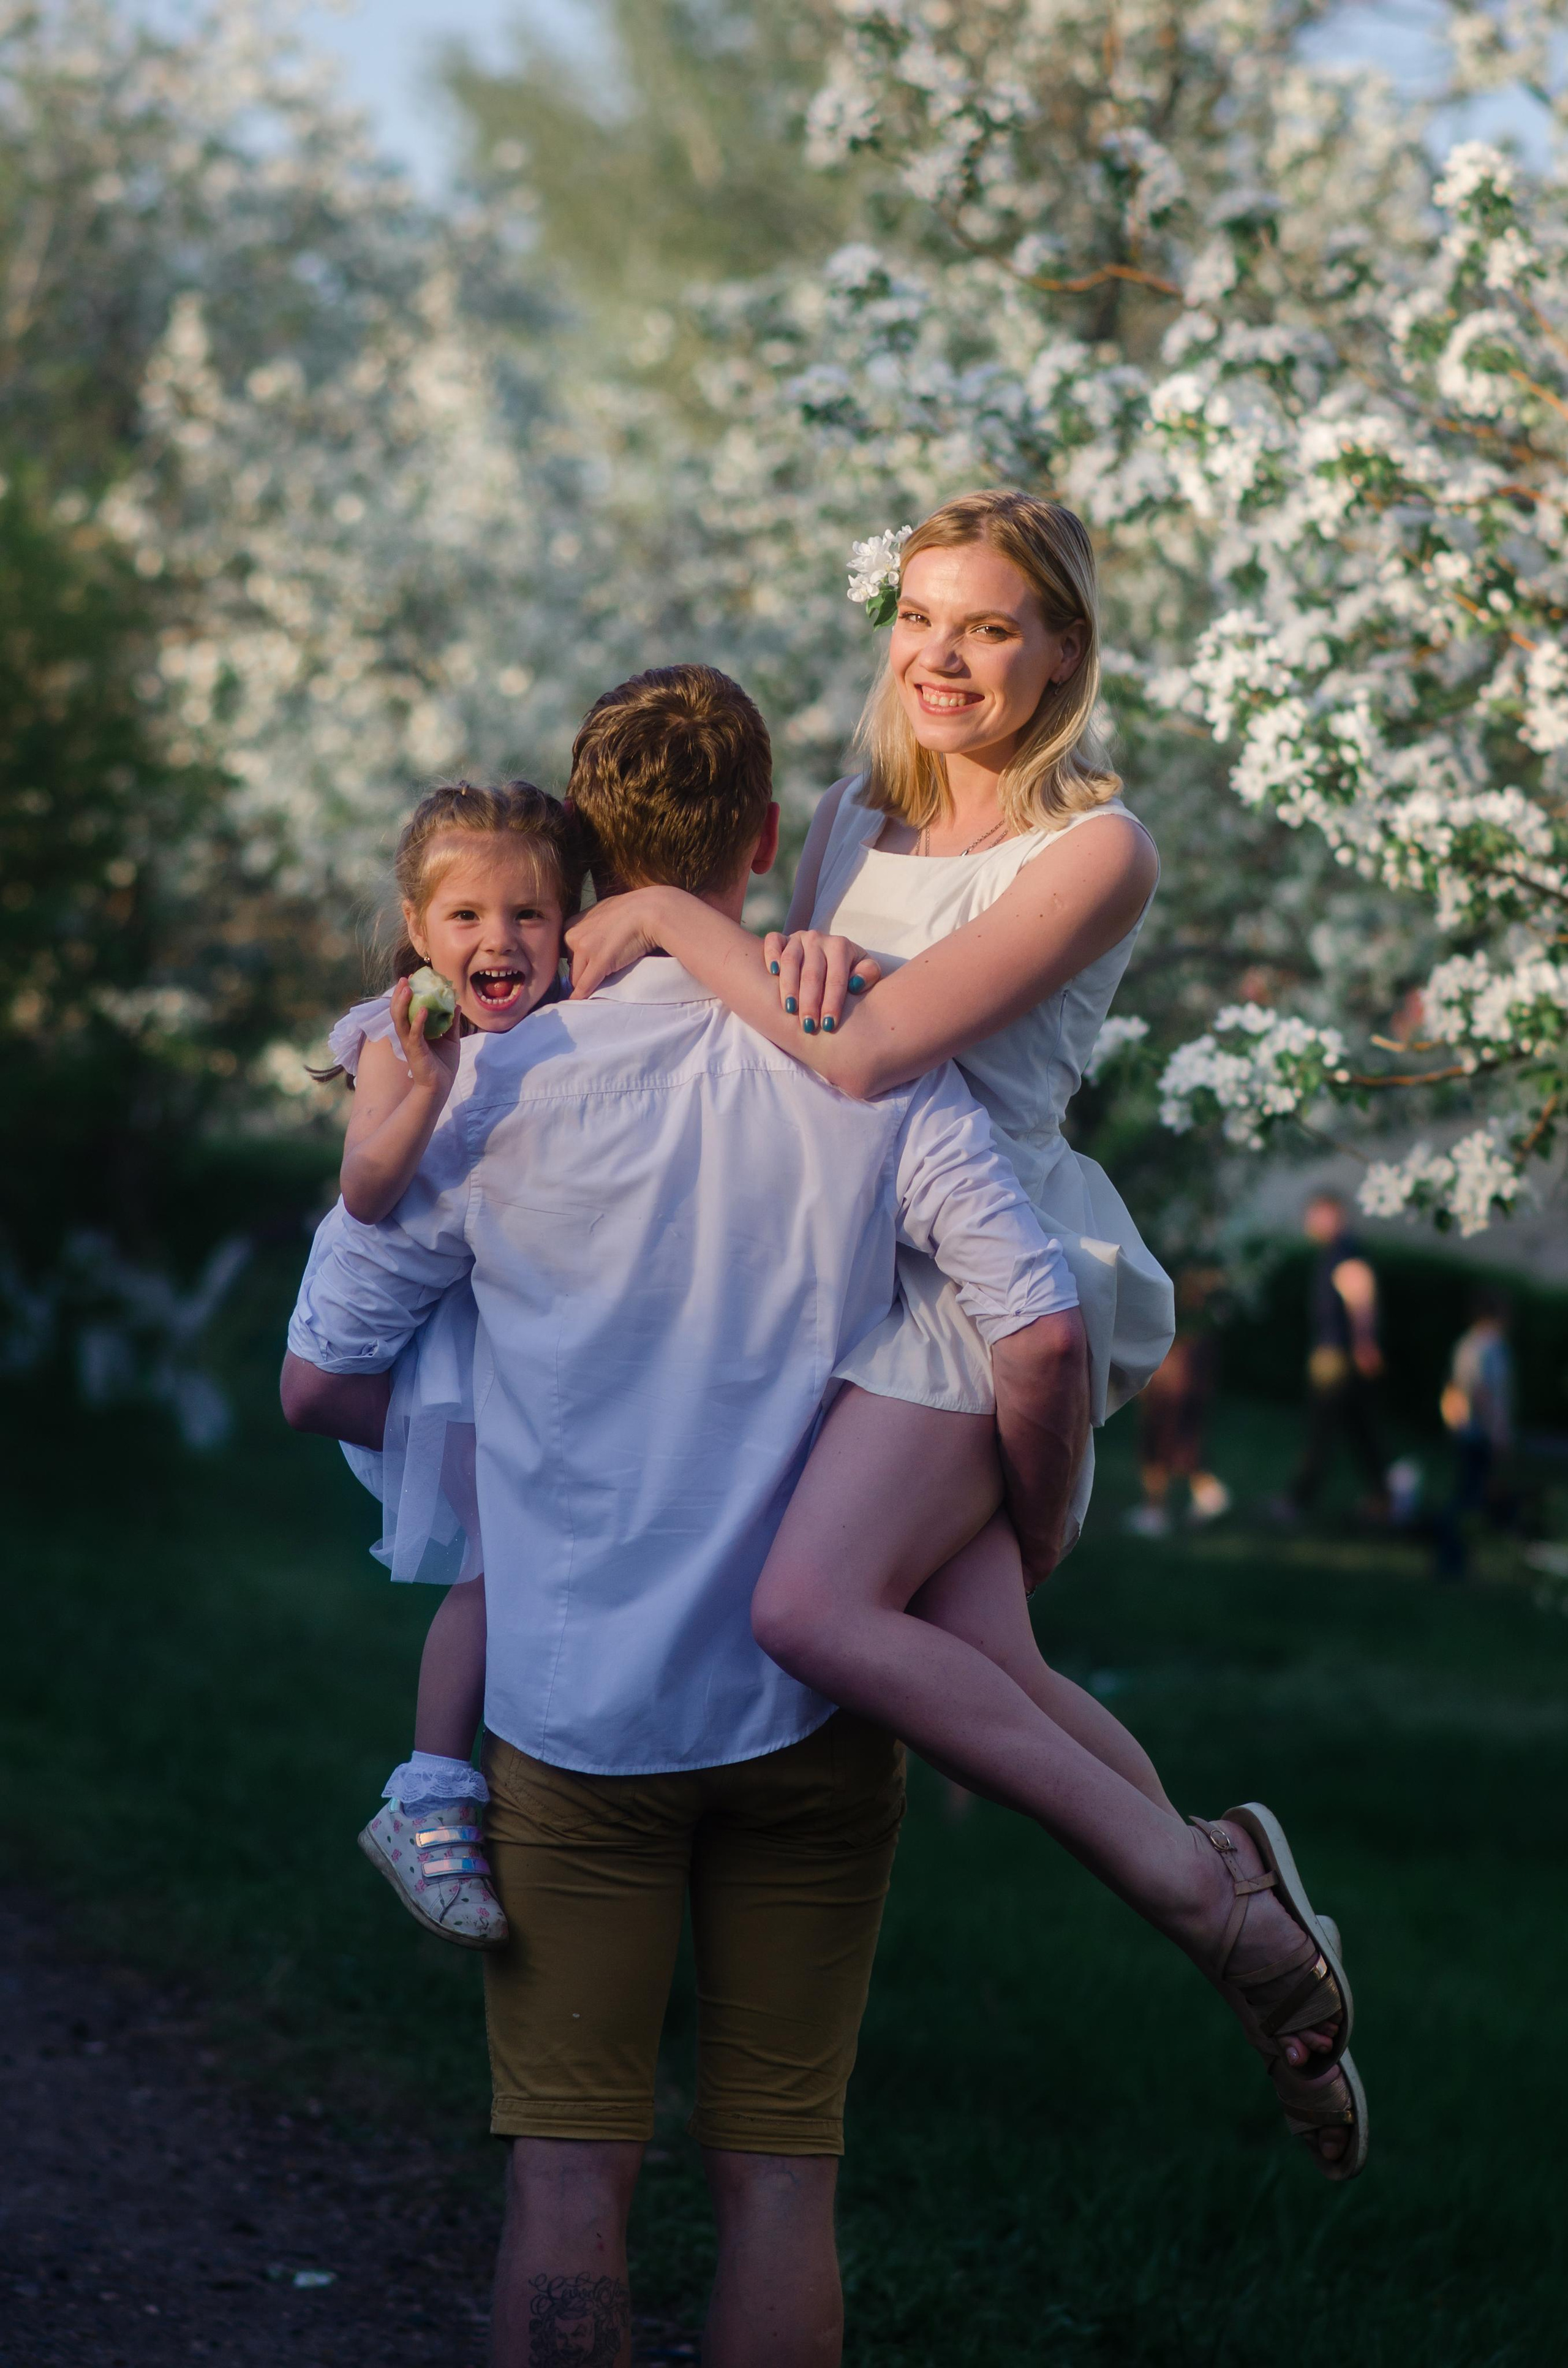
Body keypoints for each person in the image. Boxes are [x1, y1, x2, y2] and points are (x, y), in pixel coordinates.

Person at [281, 662, 1092, 2366]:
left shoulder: (493, 1079)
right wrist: (1025, 1534)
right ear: (773, 842)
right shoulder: (871, 1069)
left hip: (577, 1711)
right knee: (784, 2182)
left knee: (571, 2187)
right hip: (813, 1705)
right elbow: (1038, 1325)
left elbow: (319, 1374)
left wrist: (501, 1446)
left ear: (581, 853)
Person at [566, 496, 1365, 2179]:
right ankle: (1243, 1907)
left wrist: (658, 915)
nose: (944, 656)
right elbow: (799, 1015)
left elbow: (873, 1054)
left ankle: (1206, 1913)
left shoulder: (1096, 849)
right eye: (921, 618)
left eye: (991, 626)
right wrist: (777, 940)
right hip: (859, 1253)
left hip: (988, 1259)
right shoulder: (848, 817)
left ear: (1061, 650)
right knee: (997, 1670)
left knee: (812, 1606)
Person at [311, 779, 582, 1951]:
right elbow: (369, 1192)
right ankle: (427, 1798)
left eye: (530, 915)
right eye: (467, 916)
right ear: (420, 933)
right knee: (500, 1561)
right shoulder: (397, 1037)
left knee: (505, 1558)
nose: (500, 941)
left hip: (485, 1327)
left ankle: (463, 1789)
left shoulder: (578, 1026)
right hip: (399, 1336)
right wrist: (426, 1088)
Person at [1278, 1193, 1390, 1523]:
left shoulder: (1344, 1251)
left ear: (1332, 1215)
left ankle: (1298, 1499)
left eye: (1314, 1215)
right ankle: (1382, 1498)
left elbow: (1361, 1296)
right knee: (1360, 1429)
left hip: (1336, 1357)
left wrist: (1365, 1343)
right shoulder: (1337, 1251)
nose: (1308, 1223)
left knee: (1321, 1431)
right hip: (1339, 1354)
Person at [1127, 1269, 1227, 1537]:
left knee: (1160, 1436)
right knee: (1181, 1436)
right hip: (1190, 1367)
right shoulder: (1203, 1318)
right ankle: (1206, 1494)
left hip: (1172, 1367)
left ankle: (1155, 1510)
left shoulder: (1176, 1285)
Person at [1435, 1289, 1515, 1579]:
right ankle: (1453, 1559)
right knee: (1469, 1498)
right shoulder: (1491, 1348)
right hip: (1481, 1434)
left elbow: (1454, 1388)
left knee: (1463, 1494)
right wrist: (1497, 1434)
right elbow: (1486, 1394)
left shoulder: (1465, 1344)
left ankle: (1453, 1556)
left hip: (1465, 1431)